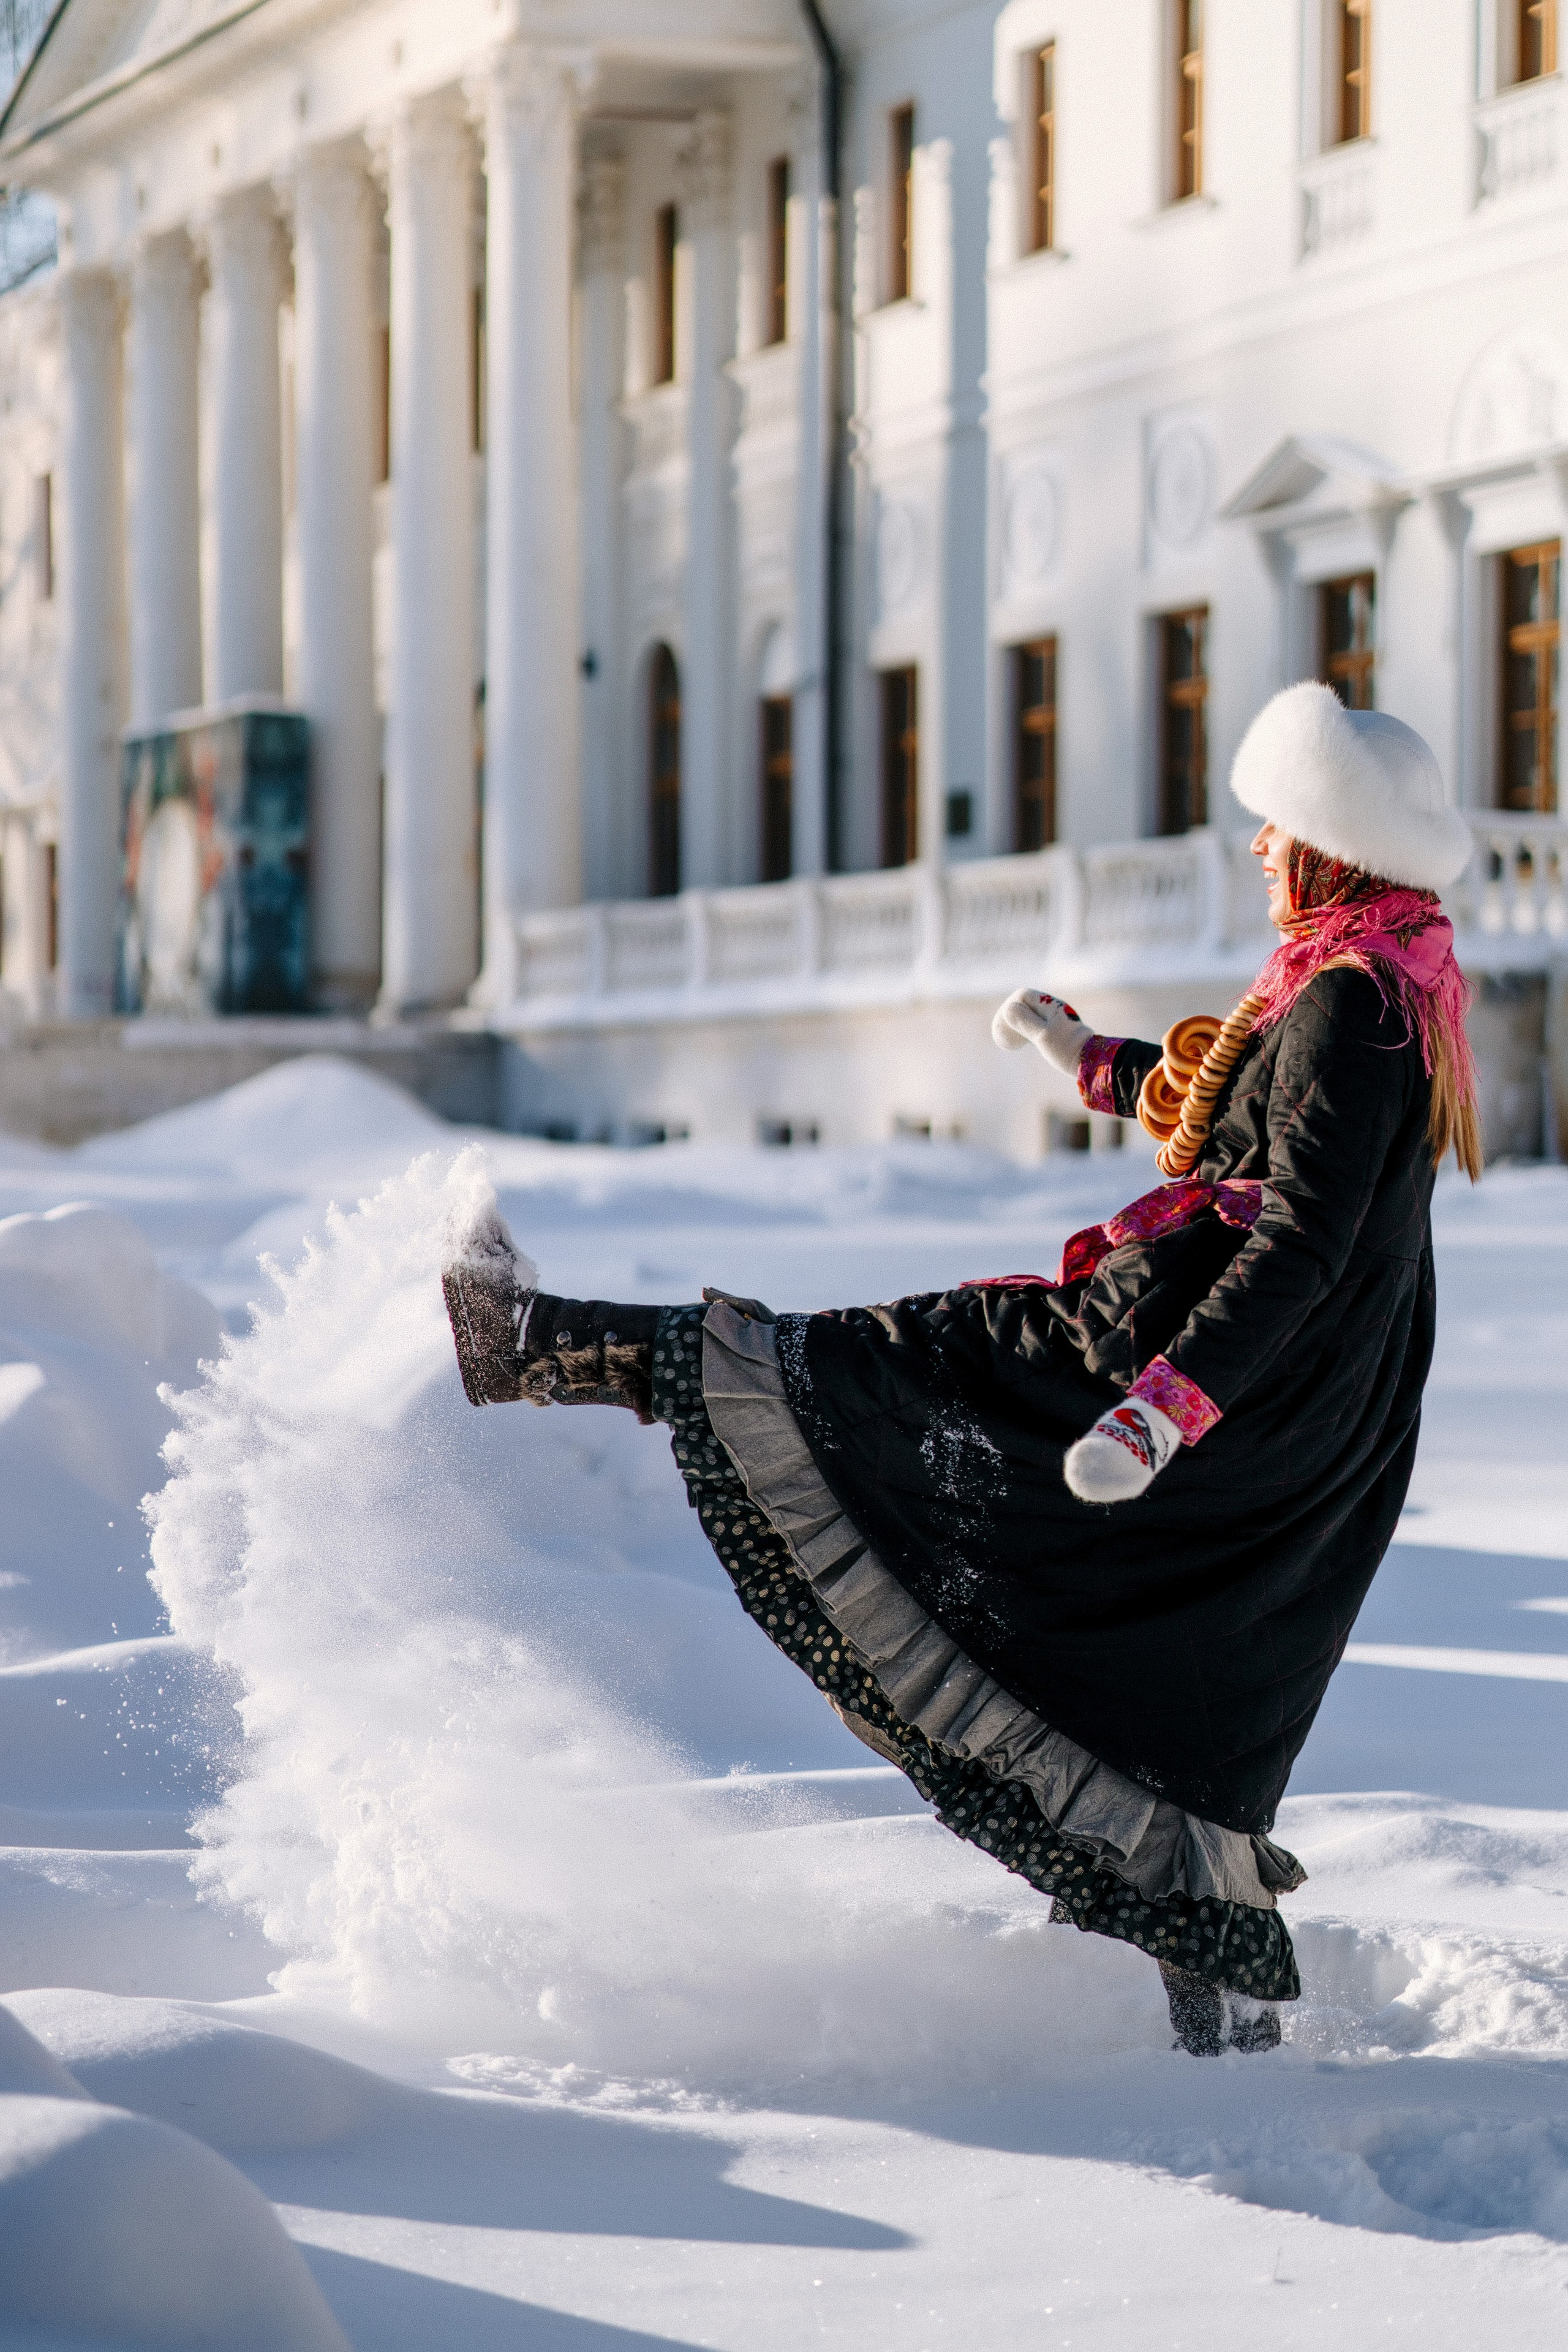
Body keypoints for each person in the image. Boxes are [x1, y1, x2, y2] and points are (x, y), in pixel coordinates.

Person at [443, 681, 1480, 2057]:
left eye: (1273, 824)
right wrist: (1082, 1055)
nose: (1253, 848)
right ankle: (1197, 2028)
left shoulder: (1353, 1003)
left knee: (875, 1380)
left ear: (1327, 846)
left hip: (1203, 1369)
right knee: (1150, 1658)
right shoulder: (1370, 974)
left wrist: (1159, 1412)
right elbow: (1229, 1108)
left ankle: (529, 1346)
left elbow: (1293, 1240)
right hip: (1257, 1379)